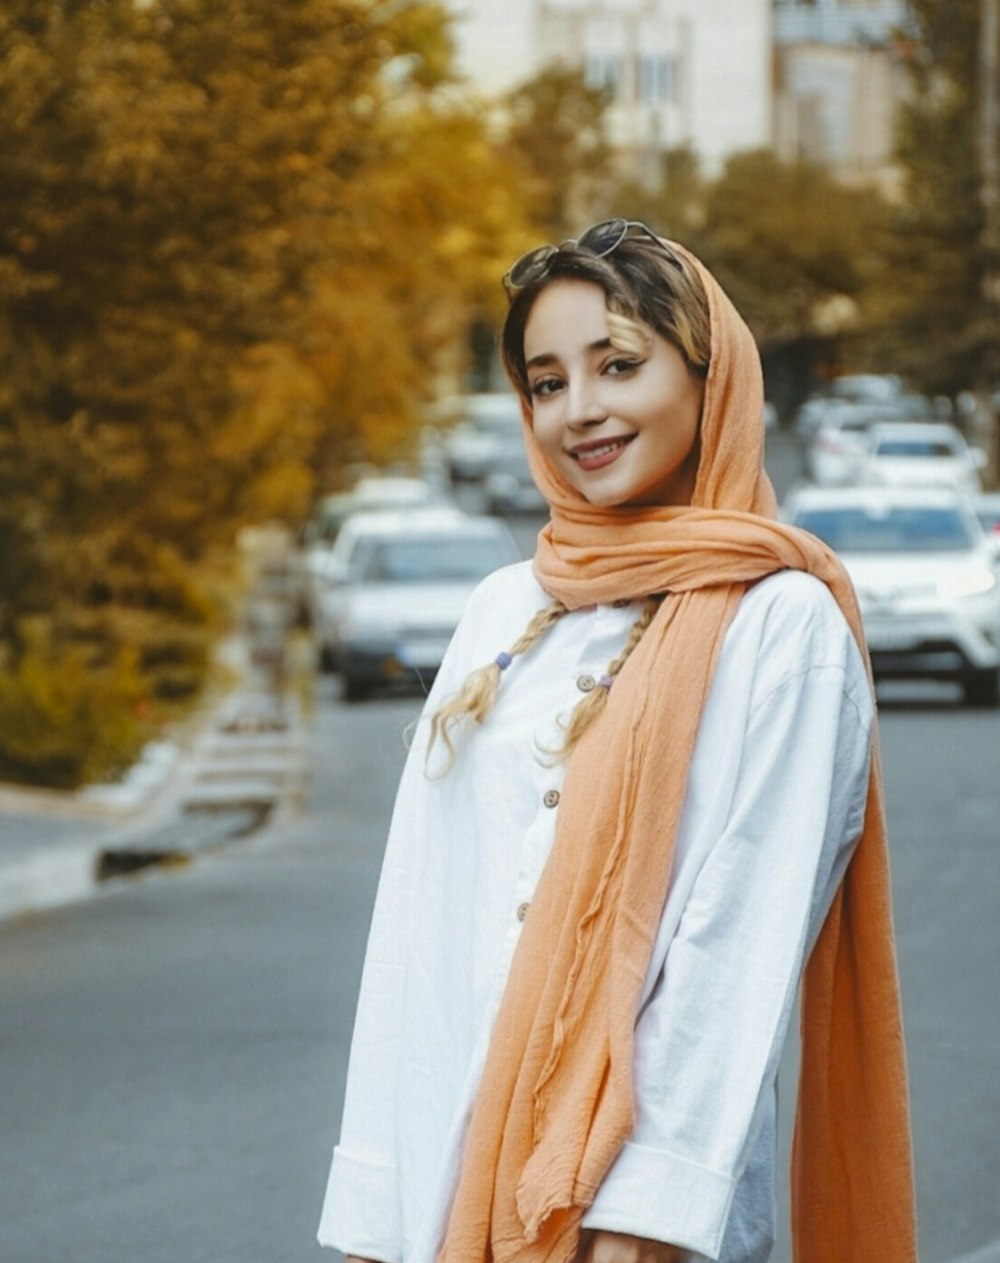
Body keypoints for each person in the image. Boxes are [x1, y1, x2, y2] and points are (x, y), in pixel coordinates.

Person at [318, 220, 917, 1263]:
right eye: (545, 383)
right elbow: (416, 928)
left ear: (708, 374)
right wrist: (375, 1210)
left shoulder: (780, 623)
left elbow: (735, 947)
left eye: (619, 365)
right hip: (443, 1201)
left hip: (631, 1222)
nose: (578, 411)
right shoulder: (506, 609)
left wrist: (642, 1222)